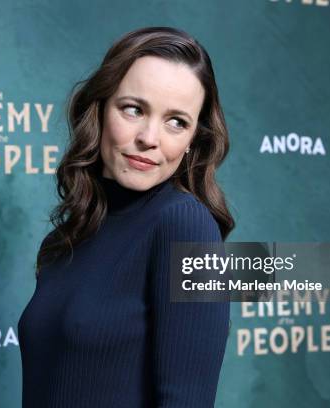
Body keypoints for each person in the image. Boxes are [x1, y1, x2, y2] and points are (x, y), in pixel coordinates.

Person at [17, 26, 235, 407]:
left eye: (176, 121)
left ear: (191, 143)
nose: (149, 137)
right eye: (133, 109)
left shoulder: (185, 225)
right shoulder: (63, 240)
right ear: (100, 110)